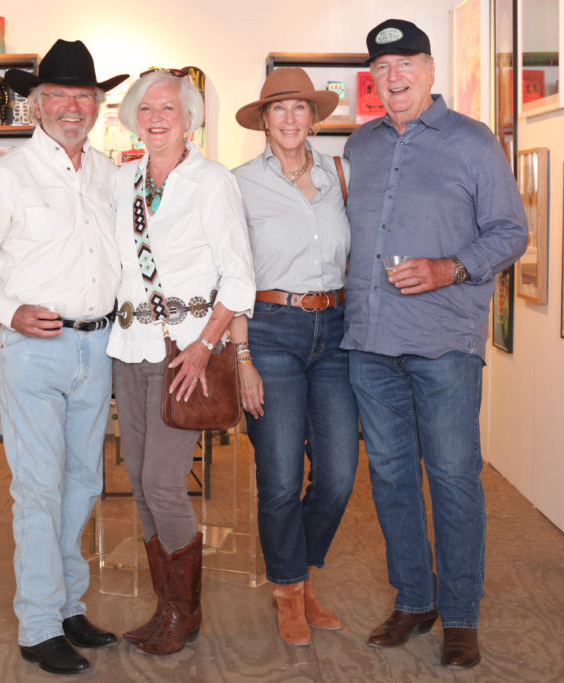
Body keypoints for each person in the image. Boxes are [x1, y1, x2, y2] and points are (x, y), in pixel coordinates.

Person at [341, 19, 528, 669]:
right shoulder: (359, 147)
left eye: (406, 65)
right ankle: (415, 598)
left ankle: (462, 613)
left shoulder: (473, 143)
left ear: (429, 70)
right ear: (372, 80)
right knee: (390, 476)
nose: (393, 78)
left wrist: (449, 267)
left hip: (444, 341)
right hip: (368, 342)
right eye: (382, 69)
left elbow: (511, 232)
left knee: (452, 477)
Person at [0, 39, 127, 676]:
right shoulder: (9, 174)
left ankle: (68, 606)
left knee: (82, 483)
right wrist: (10, 311)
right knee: (38, 487)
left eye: (84, 95)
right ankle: (37, 624)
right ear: (37, 104)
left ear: (97, 104)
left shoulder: (111, 174)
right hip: (35, 349)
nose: (72, 107)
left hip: (97, 346)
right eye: (59, 95)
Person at [108, 68, 255, 656]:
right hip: (129, 350)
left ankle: (187, 613)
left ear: (189, 118)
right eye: (146, 108)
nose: (157, 116)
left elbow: (239, 275)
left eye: (168, 107)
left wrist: (206, 345)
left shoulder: (213, 181)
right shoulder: (122, 182)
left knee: (164, 485)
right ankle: (164, 606)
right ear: (133, 118)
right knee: (140, 486)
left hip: (186, 354)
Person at [229, 68, 359, 647]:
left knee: (337, 474)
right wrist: (241, 355)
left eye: (298, 108)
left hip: (333, 329)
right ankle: (289, 590)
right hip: (270, 330)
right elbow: (228, 274)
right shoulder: (237, 184)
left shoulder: (341, 174)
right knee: (280, 477)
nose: (288, 119)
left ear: (313, 116)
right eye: (277, 108)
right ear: (263, 119)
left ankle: (300, 574)